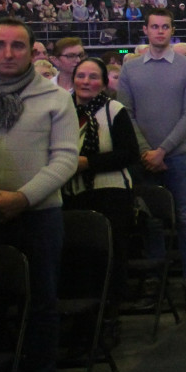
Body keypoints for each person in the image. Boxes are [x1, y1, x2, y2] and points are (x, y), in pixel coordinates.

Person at [0, 17, 79, 372]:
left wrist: (22, 197)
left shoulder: (55, 99)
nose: (7, 53)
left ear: (32, 51)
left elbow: (65, 158)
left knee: (41, 303)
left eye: (17, 46)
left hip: (38, 215)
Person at [117, 8, 186, 311]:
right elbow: (125, 113)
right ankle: (155, 280)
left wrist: (163, 150)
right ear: (145, 30)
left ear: (172, 30)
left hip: (178, 155)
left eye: (165, 27)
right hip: (144, 158)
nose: (159, 31)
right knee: (151, 222)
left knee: (184, 217)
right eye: (154, 26)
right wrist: (146, 151)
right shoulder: (130, 69)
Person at [62, 57, 139, 322]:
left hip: (111, 193)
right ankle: (84, 321)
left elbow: (129, 153)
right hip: (74, 194)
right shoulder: (63, 110)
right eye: (81, 76)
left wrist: (88, 163)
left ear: (104, 83)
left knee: (109, 256)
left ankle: (109, 318)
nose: (86, 82)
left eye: (93, 77)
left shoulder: (114, 110)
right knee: (79, 260)